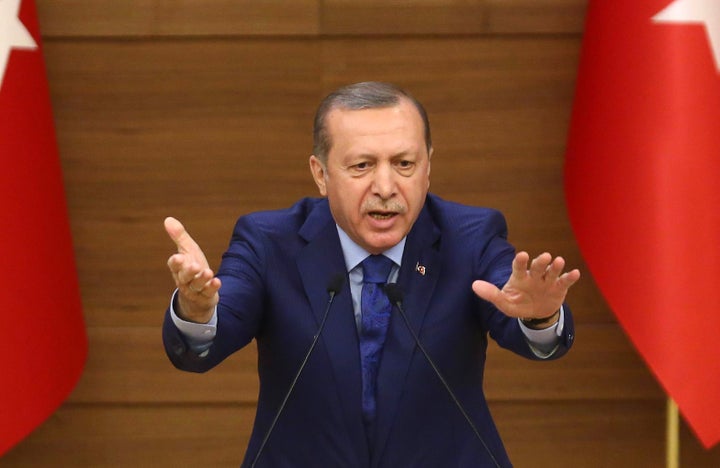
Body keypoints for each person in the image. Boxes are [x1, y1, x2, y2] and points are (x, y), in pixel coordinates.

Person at [162, 81, 580, 467]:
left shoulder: (470, 237)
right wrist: (198, 310)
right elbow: (211, 334)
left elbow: (522, 323)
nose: (385, 186)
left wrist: (538, 317)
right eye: (362, 166)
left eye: (404, 163)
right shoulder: (269, 241)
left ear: (428, 167)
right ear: (321, 174)